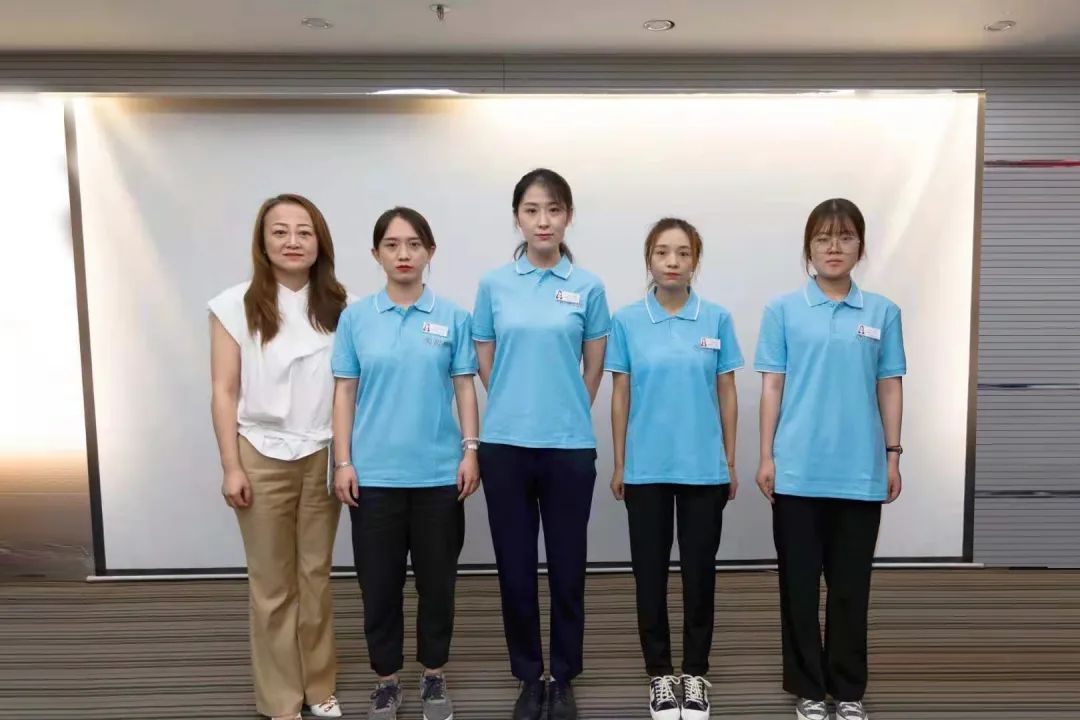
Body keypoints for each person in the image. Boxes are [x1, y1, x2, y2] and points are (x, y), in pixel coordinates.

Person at [754, 199, 906, 720]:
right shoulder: (782, 311)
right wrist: (766, 455)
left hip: (860, 470)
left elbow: (890, 385)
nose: (833, 248)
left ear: (861, 246)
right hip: (797, 469)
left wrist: (892, 455)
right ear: (808, 248)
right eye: (822, 238)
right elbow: (772, 386)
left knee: (850, 589)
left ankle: (848, 689)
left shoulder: (883, 312)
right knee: (798, 587)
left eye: (844, 237)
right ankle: (808, 688)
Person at [331, 207, 480, 720]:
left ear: (429, 252)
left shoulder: (454, 317)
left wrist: (470, 450)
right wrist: (342, 461)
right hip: (374, 477)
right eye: (392, 245)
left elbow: (464, 386)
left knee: (438, 584)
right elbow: (344, 392)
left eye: (414, 244)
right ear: (376, 254)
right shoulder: (356, 319)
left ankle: (434, 674)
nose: (403, 254)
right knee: (379, 586)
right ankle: (386, 680)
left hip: (439, 475)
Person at [472, 168, 610, 720]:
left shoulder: (589, 286)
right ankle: (529, 675)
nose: (543, 221)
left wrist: (570, 404)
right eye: (532, 210)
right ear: (518, 218)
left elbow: (594, 363)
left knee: (568, 565)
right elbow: (485, 356)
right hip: (505, 444)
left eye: (553, 209)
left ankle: (565, 673)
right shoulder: (494, 285)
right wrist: (511, 399)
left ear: (568, 216)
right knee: (515, 566)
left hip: (568, 445)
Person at [209, 193, 348, 720]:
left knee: (316, 575)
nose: (293, 241)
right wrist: (231, 466)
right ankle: (280, 699)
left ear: (320, 243)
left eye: (304, 232)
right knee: (271, 584)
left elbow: (350, 388)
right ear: (262, 242)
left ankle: (319, 686)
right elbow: (223, 390)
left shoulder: (345, 306)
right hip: (260, 454)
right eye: (280, 231)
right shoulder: (233, 305)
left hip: (323, 452)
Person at [606, 218, 742, 720]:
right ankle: (661, 673)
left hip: (704, 468)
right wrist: (620, 462)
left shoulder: (717, 319)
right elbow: (621, 394)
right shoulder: (627, 320)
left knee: (700, 574)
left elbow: (727, 392)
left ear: (695, 261)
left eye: (683, 253)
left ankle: (696, 673)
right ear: (649, 259)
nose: (672, 262)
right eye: (662, 252)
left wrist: (730, 460)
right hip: (646, 469)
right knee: (650, 574)